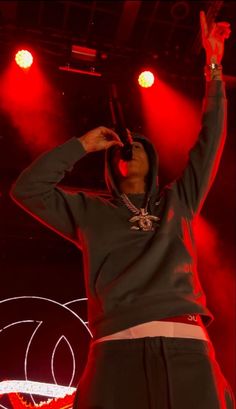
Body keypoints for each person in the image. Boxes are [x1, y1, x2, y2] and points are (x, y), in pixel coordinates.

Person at [10, 11, 234, 409]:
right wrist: (80, 145)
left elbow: (210, 140)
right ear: (112, 165)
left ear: (152, 157)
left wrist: (213, 66)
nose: (131, 148)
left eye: (140, 145)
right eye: (122, 149)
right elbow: (26, 189)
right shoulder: (88, 210)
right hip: (115, 354)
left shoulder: (177, 200)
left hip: (187, 350)